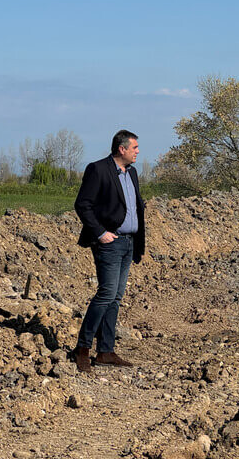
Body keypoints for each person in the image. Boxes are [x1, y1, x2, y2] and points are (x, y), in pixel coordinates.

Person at [72, 130, 146, 373]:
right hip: (109, 243)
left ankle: (105, 351)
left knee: (115, 298)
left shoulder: (132, 172)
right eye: (134, 147)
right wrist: (100, 232)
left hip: (128, 242)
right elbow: (83, 204)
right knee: (105, 294)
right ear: (121, 149)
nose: (137, 151)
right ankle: (82, 349)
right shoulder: (98, 169)